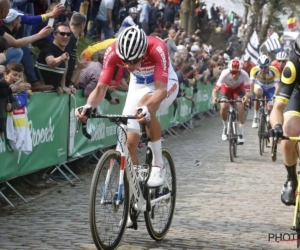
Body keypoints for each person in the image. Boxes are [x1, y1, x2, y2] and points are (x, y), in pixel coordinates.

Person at [76, 26, 179, 190]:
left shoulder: (157, 48)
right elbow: (101, 88)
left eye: (134, 61)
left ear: (143, 52)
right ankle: (136, 194)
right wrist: (89, 106)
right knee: (129, 141)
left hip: (165, 83)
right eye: (125, 61)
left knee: (145, 107)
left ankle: (158, 165)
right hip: (138, 83)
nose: (129, 66)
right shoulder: (113, 50)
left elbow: (160, 90)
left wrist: (148, 108)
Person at [270, 34, 300, 206]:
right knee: (289, 132)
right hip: (297, 95)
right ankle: (291, 179)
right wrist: (277, 126)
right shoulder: (292, 67)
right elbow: (278, 108)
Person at [212, 59, 250, 144]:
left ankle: (241, 133)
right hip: (226, 90)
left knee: (241, 106)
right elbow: (215, 90)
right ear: (229, 71)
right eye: (232, 72)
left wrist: (246, 97)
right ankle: (225, 128)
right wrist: (214, 98)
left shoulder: (244, 74)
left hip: (238, 89)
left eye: (236, 73)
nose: (234, 75)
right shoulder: (225, 74)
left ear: (240, 71)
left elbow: (248, 91)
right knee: (223, 106)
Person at [250, 55, 280, 128]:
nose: (263, 69)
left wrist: (275, 96)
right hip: (259, 85)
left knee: (270, 107)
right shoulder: (254, 70)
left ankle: (269, 118)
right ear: (258, 66)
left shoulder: (275, 70)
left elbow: (277, 86)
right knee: (258, 94)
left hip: (271, 87)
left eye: (265, 67)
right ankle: (255, 117)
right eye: (261, 67)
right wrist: (252, 95)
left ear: (268, 66)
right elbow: (251, 83)